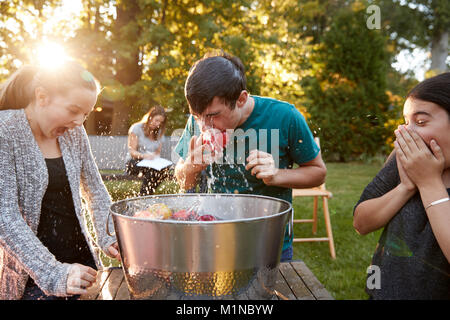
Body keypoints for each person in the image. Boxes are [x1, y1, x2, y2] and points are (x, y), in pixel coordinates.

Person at [174, 51, 327, 261]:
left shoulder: (285, 116)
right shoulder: (200, 119)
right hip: (214, 238)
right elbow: (181, 179)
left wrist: (277, 175)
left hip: (269, 242)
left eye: (213, 116)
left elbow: (319, 173)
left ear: (241, 99)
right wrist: (190, 167)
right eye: (197, 116)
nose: (204, 126)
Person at [0, 61, 121, 300]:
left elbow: (95, 190)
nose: (79, 122)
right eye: (74, 110)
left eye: (86, 114)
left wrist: (109, 235)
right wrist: (54, 273)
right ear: (42, 96)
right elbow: (5, 216)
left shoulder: (74, 132)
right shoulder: (5, 131)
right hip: (33, 278)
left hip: (83, 269)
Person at [353, 72, 450, 299]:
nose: (404, 132)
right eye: (407, 122)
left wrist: (428, 182)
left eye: (421, 121)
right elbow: (360, 223)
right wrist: (405, 188)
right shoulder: (403, 159)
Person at [126, 105, 173, 195]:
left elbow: (157, 153)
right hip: (134, 162)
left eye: (161, 122)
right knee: (152, 171)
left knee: (164, 170)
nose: (158, 124)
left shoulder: (159, 133)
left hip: (150, 163)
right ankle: (144, 196)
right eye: (156, 120)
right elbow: (132, 151)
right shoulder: (136, 128)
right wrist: (144, 156)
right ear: (150, 117)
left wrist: (155, 157)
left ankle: (146, 195)